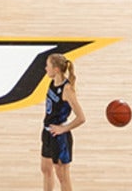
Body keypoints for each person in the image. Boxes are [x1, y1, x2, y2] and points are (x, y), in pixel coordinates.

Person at [40, 54, 84, 191]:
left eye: (48, 65)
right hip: (47, 133)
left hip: (60, 138)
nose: (45, 68)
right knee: (46, 170)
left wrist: (63, 129)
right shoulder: (52, 81)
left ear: (57, 69)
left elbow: (81, 117)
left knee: (63, 178)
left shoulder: (67, 90)